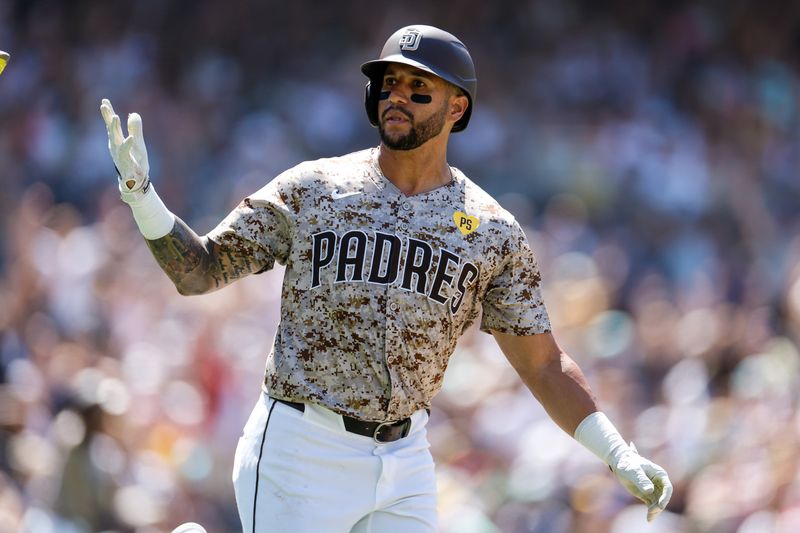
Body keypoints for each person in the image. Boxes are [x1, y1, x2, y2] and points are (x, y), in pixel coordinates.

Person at [101, 24, 672, 532]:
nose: (397, 96)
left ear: (457, 109)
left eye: (417, 86)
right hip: (303, 446)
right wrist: (142, 199)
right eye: (388, 84)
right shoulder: (314, 187)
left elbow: (542, 364)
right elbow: (200, 271)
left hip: (405, 456)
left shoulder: (491, 231)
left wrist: (617, 453)